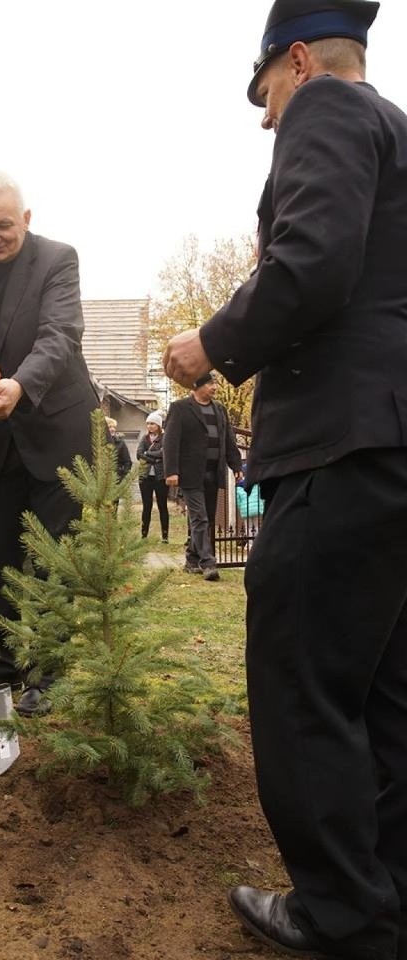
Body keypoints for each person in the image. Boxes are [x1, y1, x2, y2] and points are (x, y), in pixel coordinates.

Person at [163, 1, 407, 957]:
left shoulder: (330, 112)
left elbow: (310, 265)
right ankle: (385, 893)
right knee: (384, 688)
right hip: (393, 449)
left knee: (303, 684)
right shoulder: (396, 128)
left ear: (298, 61)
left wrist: (212, 342)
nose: (267, 118)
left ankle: (340, 915)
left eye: (265, 94)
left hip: (337, 451)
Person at [0, 171, 100, 717]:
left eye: (4, 226)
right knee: (0, 550)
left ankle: (51, 668)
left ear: (27, 219)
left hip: (55, 425)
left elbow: (60, 336)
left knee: (54, 553)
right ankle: (5, 660)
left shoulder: (59, 260)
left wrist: (21, 385)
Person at [163, 373, 242, 581]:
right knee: (200, 517)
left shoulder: (219, 409)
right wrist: (171, 471)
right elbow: (170, 441)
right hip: (190, 474)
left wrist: (235, 465)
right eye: (210, 383)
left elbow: (228, 439)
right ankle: (208, 563)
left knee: (204, 518)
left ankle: (191, 560)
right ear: (197, 385)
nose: (214, 387)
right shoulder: (180, 408)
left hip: (213, 472)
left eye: (215, 383)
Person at [136, 411, 169, 543]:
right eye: (148, 423)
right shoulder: (144, 439)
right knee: (146, 506)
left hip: (160, 477)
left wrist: (148, 453)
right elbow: (138, 454)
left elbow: (164, 453)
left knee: (162, 506)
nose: (149, 426)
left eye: (152, 423)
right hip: (145, 477)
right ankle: (144, 535)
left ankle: (165, 536)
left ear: (158, 425)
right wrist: (154, 459)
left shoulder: (164, 438)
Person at [105, 416, 132, 481]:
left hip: (116, 478)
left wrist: (122, 476)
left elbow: (127, 462)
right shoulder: (98, 442)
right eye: (109, 427)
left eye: (114, 427)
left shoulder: (120, 443)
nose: (112, 429)